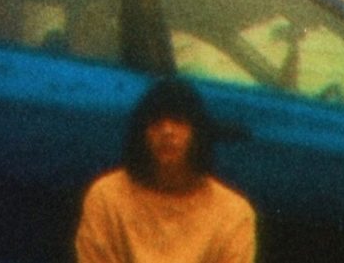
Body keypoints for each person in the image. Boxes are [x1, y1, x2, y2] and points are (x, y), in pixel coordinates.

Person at [75, 79, 256, 263]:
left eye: (179, 121)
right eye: (156, 122)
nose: (167, 131)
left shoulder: (233, 213)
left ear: (198, 134)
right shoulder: (107, 197)